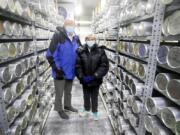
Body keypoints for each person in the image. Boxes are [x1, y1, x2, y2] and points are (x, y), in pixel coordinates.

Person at [46, 19, 81, 119]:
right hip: (60, 71)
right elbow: (50, 54)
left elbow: (80, 50)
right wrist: (57, 69)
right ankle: (59, 109)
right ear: (65, 25)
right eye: (70, 25)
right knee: (59, 92)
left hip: (71, 70)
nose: (72, 27)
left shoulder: (75, 37)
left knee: (68, 91)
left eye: (73, 25)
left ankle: (67, 105)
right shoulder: (58, 36)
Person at [75, 35, 109, 120]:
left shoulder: (101, 51)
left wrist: (95, 76)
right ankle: (86, 109)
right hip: (85, 79)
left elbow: (104, 66)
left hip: (95, 80)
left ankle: (95, 112)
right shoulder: (81, 51)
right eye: (89, 40)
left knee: (94, 96)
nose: (90, 41)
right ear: (85, 41)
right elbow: (77, 66)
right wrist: (81, 77)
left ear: (95, 41)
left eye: (92, 40)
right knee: (86, 95)